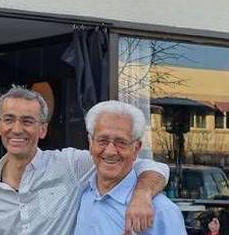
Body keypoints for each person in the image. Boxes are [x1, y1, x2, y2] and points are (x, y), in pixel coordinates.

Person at [0, 87, 169, 235]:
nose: (17, 129)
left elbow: (145, 164)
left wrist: (142, 194)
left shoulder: (69, 165)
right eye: (9, 119)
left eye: (27, 121)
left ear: (43, 129)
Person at [74, 100, 186, 235]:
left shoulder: (161, 210)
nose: (110, 151)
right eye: (102, 140)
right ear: (90, 143)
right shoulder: (82, 194)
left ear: (136, 149)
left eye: (121, 142)